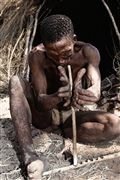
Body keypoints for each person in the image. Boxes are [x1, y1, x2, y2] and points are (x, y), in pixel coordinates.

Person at [9, 14, 120, 180]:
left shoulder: (88, 52)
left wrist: (92, 93)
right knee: (15, 82)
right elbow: (41, 103)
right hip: (45, 117)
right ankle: (30, 156)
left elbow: (95, 86)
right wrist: (57, 97)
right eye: (53, 54)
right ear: (44, 47)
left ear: (74, 39)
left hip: (71, 117)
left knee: (115, 124)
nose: (60, 60)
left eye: (66, 52)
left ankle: (70, 140)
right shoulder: (37, 56)